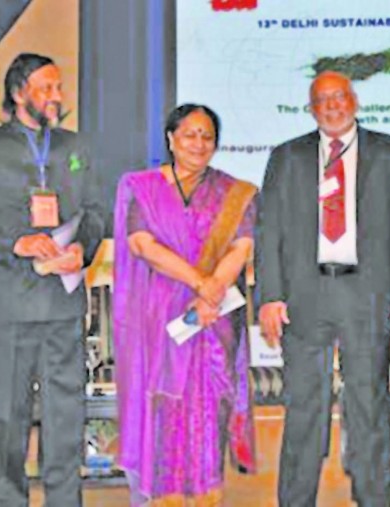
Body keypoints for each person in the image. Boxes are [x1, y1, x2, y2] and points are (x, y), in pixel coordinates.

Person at [0, 53, 107, 507]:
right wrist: (15, 242)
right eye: (46, 88)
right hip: (11, 303)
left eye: (59, 87)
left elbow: (96, 212)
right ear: (19, 93)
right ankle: (7, 500)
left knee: (66, 413)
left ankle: (64, 500)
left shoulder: (76, 148)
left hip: (64, 302)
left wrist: (84, 249)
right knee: (7, 416)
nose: (57, 96)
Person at [256, 70, 390, 506]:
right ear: (311, 108)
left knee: (369, 405)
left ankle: (374, 499)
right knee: (304, 407)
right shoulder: (286, 157)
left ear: (355, 100)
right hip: (304, 296)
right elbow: (268, 231)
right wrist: (269, 296)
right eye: (322, 99)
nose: (332, 105)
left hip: (369, 294)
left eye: (339, 96)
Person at [112, 103, 257, 505]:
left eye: (207, 136)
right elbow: (142, 243)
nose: (199, 143)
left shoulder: (235, 192)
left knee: (210, 409)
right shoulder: (143, 187)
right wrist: (200, 282)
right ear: (171, 139)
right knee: (165, 410)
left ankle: (209, 495)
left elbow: (242, 244)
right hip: (162, 317)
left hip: (215, 319)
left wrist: (213, 290)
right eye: (190, 134)